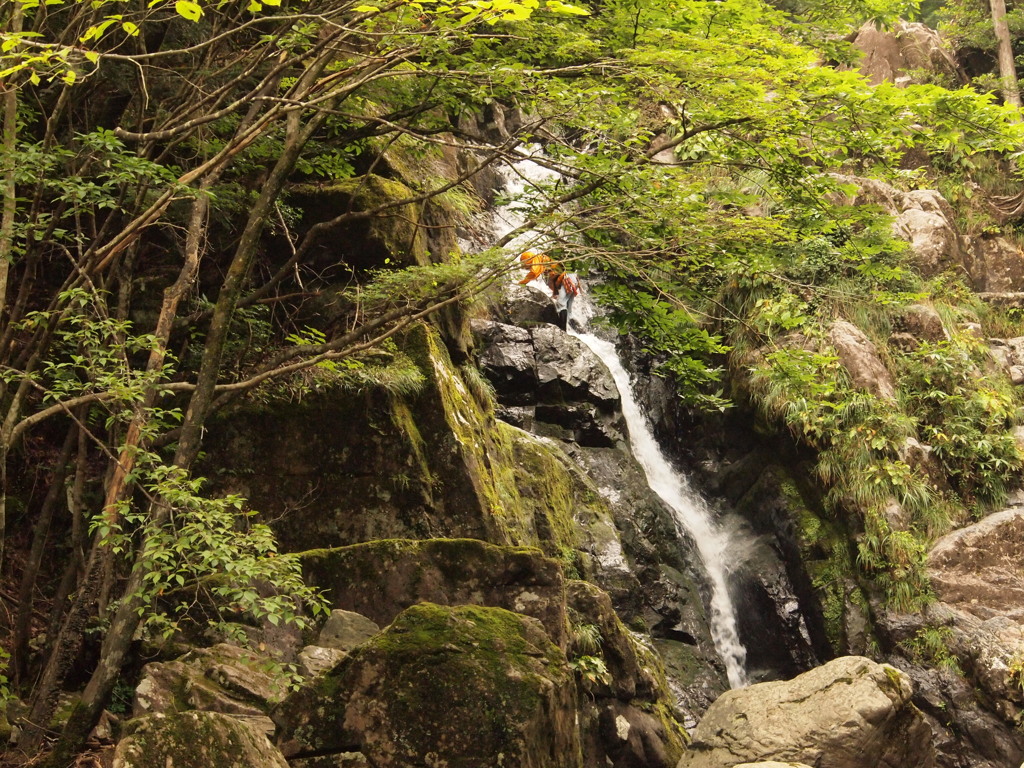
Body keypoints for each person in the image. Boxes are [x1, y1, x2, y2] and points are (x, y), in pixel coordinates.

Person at [518, 251, 580, 331]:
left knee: (561, 304)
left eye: (525, 263)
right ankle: (576, 331)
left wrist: (521, 283)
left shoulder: (537, 258)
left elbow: (534, 272)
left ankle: (563, 331)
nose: (526, 267)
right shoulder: (543, 260)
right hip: (571, 278)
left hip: (568, 280)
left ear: (527, 260)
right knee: (569, 311)